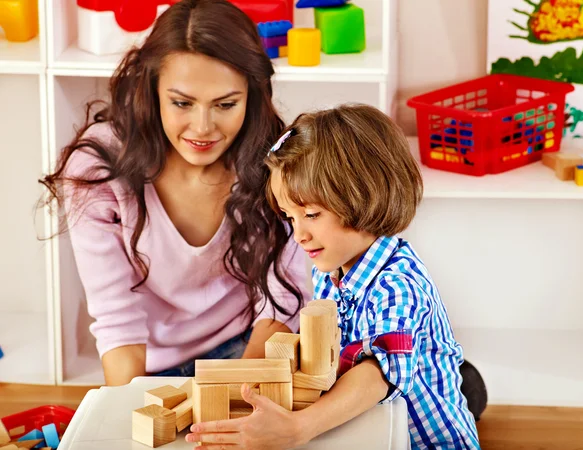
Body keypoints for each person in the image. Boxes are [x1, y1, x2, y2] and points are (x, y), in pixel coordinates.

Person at [38, 0, 309, 386]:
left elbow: (282, 305)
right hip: (148, 362)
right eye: (182, 103)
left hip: (248, 345)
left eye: (225, 104)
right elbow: (118, 324)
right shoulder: (97, 168)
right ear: (153, 89)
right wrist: (132, 410)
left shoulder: (275, 164)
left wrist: (234, 395)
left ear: (252, 94)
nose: (202, 127)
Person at [185, 104, 481, 449]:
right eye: (290, 217)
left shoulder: (398, 285)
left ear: (364, 195)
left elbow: (379, 373)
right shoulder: (331, 270)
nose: (299, 235)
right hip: (367, 429)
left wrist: (298, 427)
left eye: (311, 214)